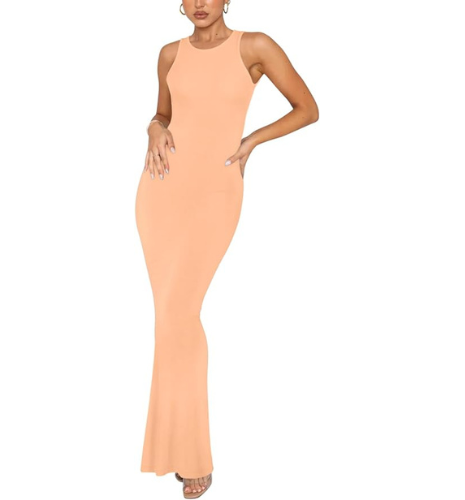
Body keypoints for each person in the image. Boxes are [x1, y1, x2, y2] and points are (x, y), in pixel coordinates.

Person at [135, 1, 319, 497]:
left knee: (179, 314)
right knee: (170, 320)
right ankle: (178, 447)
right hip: (160, 190)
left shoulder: (254, 46)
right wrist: (153, 127)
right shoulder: (169, 53)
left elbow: (308, 109)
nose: (199, 3)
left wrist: (251, 140)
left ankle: (192, 453)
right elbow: (164, 113)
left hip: (216, 191)